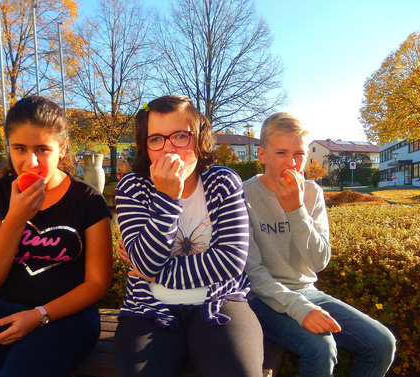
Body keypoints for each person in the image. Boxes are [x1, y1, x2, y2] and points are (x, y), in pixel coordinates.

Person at [0, 96, 113, 377]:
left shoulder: (87, 199)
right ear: (9, 148)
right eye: (20, 148)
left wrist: (39, 315)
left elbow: (97, 283)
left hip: (68, 315)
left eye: (42, 149)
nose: (30, 161)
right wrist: (15, 219)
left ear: (62, 148)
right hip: (2, 306)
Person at [113, 95, 263, 377]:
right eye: (156, 139)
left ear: (199, 139)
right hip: (149, 307)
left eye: (181, 136)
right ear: (146, 146)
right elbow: (145, 263)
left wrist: (157, 274)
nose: (170, 149)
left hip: (220, 301)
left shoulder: (223, 182)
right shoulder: (133, 187)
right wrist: (168, 196)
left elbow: (231, 261)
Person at [243, 112, 396, 377]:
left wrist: (296, 210)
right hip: (261, 299)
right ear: (262, 155)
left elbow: (319, 261)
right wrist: (299, 309)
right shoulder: (243, 195)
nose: (292, 163)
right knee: (321, 348)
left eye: (299, 154)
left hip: (307, 291)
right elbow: (252, 272)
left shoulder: (312, 192)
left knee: (382, 344)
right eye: (281, 153)